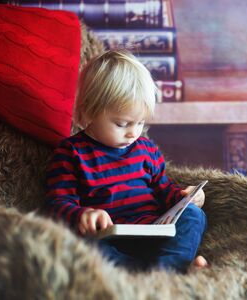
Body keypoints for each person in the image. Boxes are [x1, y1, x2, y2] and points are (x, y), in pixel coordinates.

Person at [44, 50, 207, 273]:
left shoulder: (146, 150)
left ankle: (165, 272)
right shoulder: (71, 152)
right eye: (122, 124)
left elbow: (164, 190)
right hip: (109, 239)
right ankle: (167, 274)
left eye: (139, 123)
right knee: (82, 249)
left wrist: (185, 197)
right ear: (89, 111)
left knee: (194, 216)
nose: (133, 133)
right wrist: (82, 215)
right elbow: (57, 204)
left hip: (153, 234)